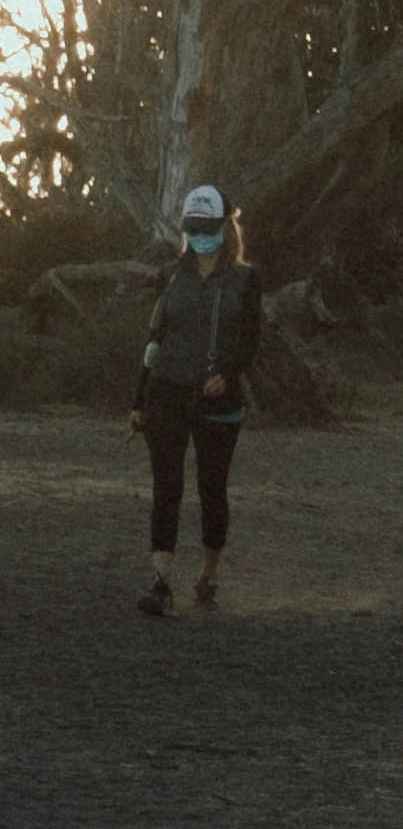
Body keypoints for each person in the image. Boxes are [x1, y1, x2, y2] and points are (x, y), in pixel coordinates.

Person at [136, 184, 264, 614]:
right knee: (166, 486)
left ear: (225, 228)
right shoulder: (170, 275)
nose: (199, 237)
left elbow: (251, 340)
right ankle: (160, 582)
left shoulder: (246, 279)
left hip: (218, 402)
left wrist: (227, 375)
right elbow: (154, 341)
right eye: (192, 229)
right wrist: (139, 401)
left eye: (207, 229)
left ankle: (209, 575)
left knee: (212, 487)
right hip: (167, 392)